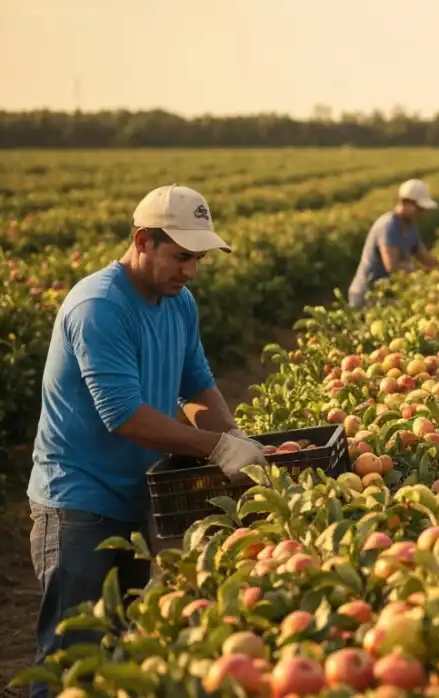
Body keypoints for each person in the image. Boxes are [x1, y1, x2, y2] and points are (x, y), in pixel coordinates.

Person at [26, 185, 269, 698]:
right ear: (142, 241)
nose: (191, 270)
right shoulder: (99, 306)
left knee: (123, 650)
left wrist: (235, 437)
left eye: (198, 258)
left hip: (136, 497)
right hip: (76, 501)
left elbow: (197, 386)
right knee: (72, 656)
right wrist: (216, 449)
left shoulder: (179, 304)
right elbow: (124, 416)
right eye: (181, 256)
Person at [346, 179, 439, 308]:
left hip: (384, 292)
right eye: (419, 208)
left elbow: (423, 256)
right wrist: (420, 271)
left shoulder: (410, 227)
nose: (421, 213)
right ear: (405, 202)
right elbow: (392, 265)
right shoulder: (388, 226)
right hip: (367, 294)